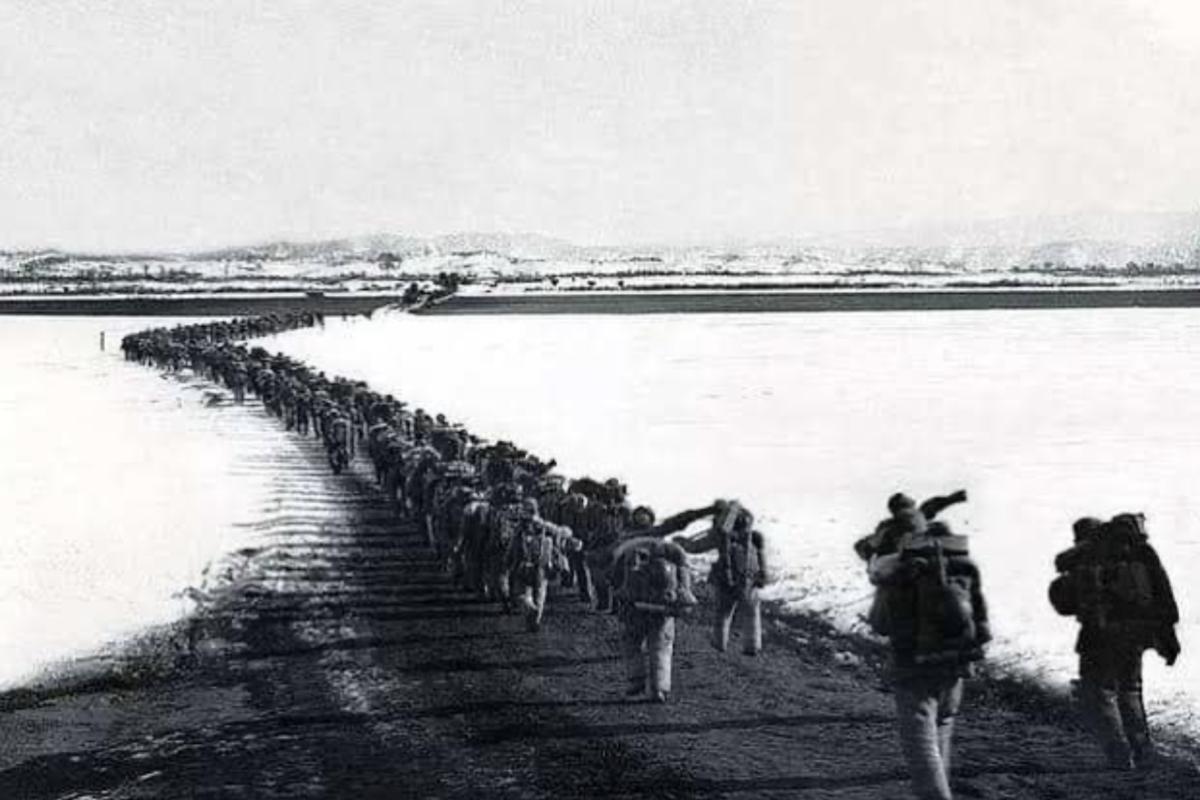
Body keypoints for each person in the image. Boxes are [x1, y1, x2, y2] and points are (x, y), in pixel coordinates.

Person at [869, 508, 990, 800]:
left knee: (921, 746)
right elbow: (981, 622)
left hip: (911, 669)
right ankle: (941, 790)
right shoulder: (963, 568)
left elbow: (880, 624)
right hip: (954, 667)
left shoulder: (900, 573)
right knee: (942, 729)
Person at [1049, 513, 1180, 771]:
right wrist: (1167, 637)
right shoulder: (1140, 553)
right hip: (1137, 635)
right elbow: (1163, 595)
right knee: (1130, 691)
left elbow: (1065, 593)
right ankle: (1142, 752)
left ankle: (1120, 755)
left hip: (1099, 637)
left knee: (1098, 694)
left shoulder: (1088, 557)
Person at [610, 535, 696, 702]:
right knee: (661, 649)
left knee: (631, 644)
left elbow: (615, 581)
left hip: (634, 610)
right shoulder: (674, 558)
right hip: (662, 614)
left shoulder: (628, 552)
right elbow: (685, 590)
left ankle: (636, 681)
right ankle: (659, 689)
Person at [676, 501, 767, 655]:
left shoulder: (720, 536)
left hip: (725, 579)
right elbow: (760, 557)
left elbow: (696, 547)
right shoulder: (754, 537)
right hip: (749, 579)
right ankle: (752, 646)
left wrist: (682, 543)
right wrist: (762, 574)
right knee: (751, 612)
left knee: (723, 613)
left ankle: (719, 644)